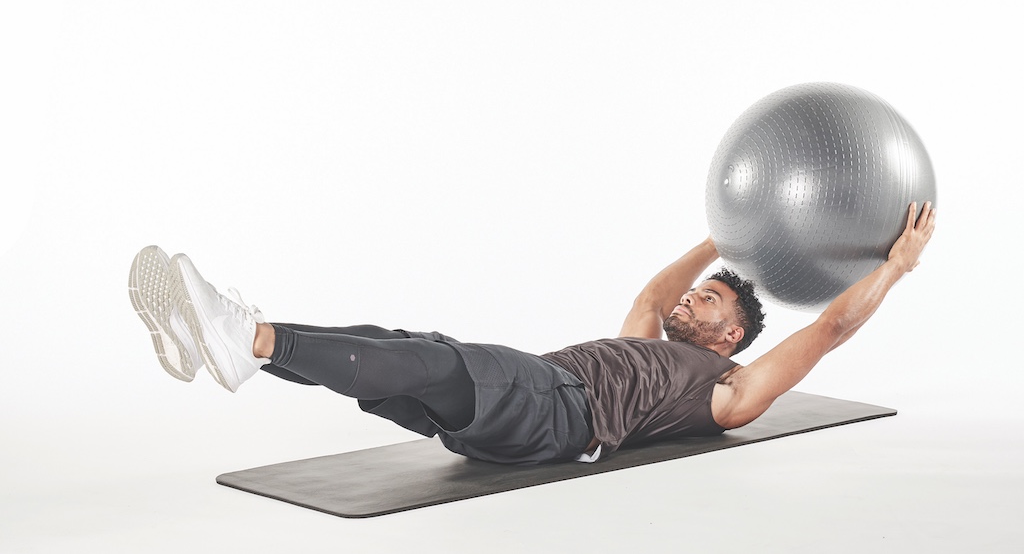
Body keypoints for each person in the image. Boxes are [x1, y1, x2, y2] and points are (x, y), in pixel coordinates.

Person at [129, 201, 936, 465]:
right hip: (530, 400)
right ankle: (227, 344)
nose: (691, 299)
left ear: (732, 338)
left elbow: (828, 328)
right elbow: (654, 291)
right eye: (698, 293)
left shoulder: (727, 389)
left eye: (712, 300)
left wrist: (895, 266)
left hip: (560, 408)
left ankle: (245, 337)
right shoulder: (653, 342)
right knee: (397, 352)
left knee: (428, 355)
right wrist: (722, 235)